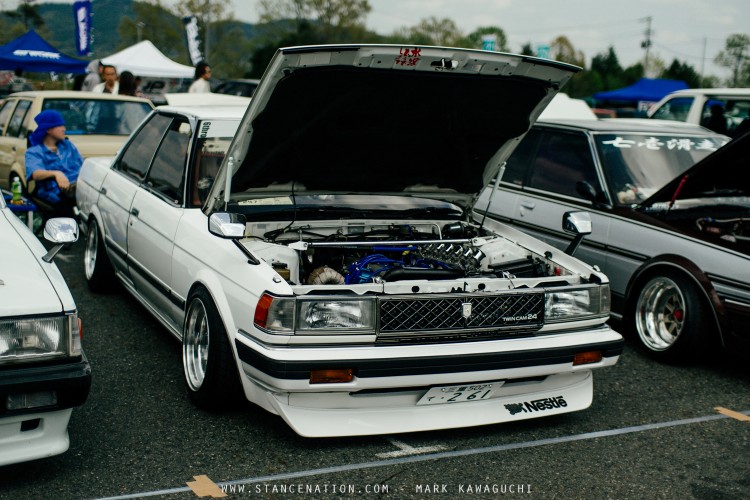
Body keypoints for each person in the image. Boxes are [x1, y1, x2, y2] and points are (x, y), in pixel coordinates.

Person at [25, 110, 84, 219]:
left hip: (79, 189)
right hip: (56, 194)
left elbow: (83, 166)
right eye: (60, 126)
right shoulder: (34, 152)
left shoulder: (68, 146)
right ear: (48, 129)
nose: (64, 129)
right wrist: (56, 173)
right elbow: (35, 173)